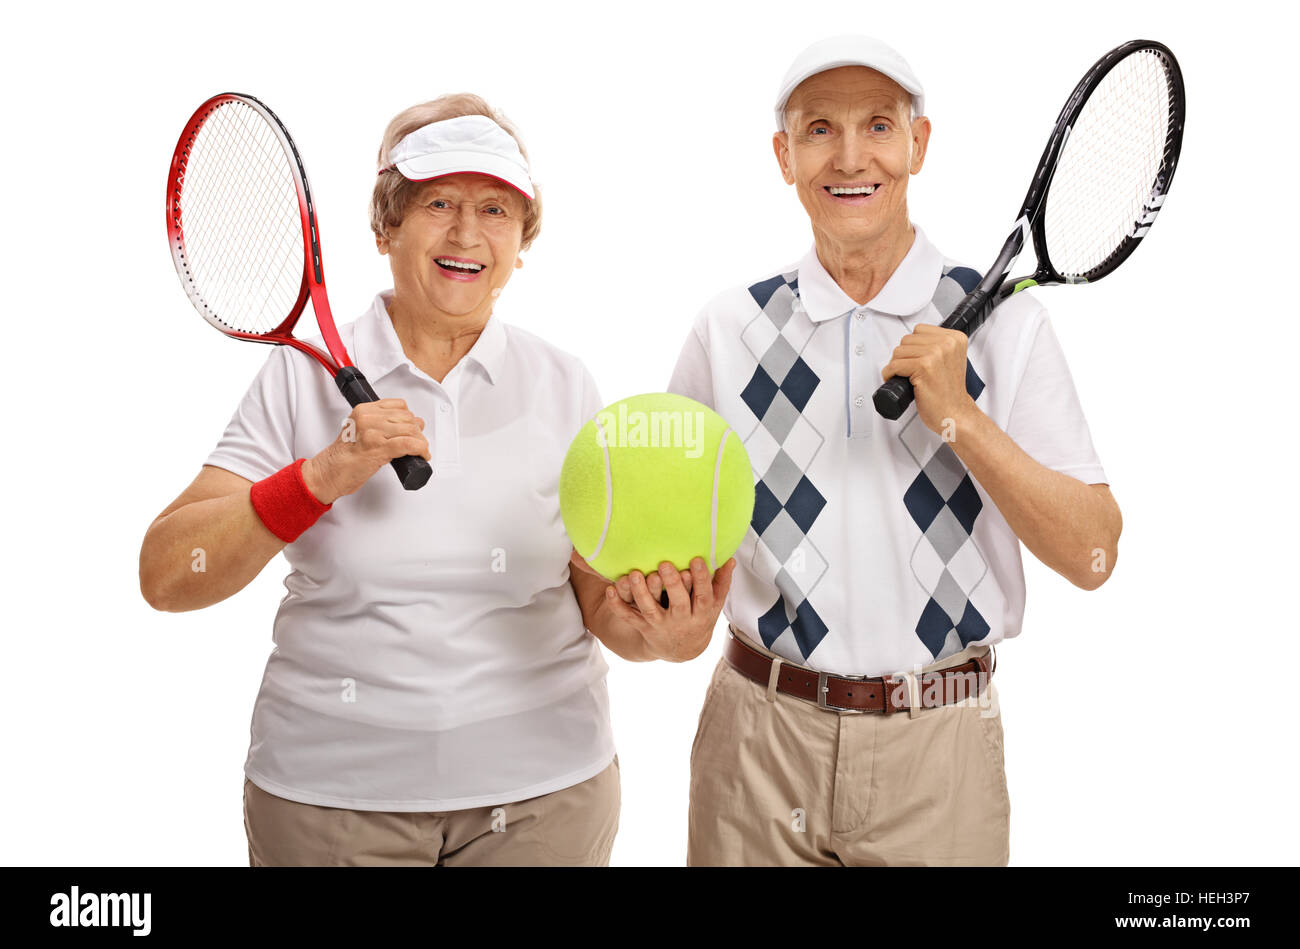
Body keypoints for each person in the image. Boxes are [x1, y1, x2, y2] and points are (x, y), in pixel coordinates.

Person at [139, 93, 730, 866]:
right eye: (437, 202)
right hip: (331, 802)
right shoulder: (299, 376)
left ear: (522, 242)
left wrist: (664, 640)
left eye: (495, 209)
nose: (465, 233)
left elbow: (594, 598)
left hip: (544, 802)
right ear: (385, 226)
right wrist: (316, 478)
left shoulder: (563, 384)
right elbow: (167, 573)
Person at [668, 36, 1122, 866]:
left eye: (878, 126)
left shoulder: (1007, 322)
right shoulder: (726, 328)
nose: (850, 156)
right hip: (758, 743)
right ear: (784, 155)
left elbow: (1094, 554)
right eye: (818, 130)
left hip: (940, 751)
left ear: (918, 145)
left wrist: (962, 419)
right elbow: (673, 554)